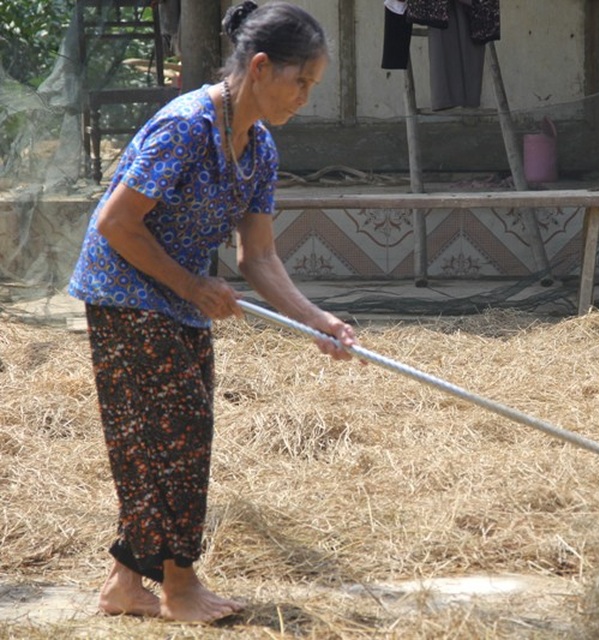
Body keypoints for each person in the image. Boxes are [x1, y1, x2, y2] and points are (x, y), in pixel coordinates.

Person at [68, 1, 355, 624]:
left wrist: (318, 321)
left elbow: (259, 257)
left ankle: (125, 584)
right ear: (259, 67)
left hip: (179, 299)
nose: (305, 97)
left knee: (161, 439)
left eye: (313, 84)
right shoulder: (188, 125)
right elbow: (115, 223)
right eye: (300, 81)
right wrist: (193, 284)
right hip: (126, 293)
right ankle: (178, 584)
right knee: (177, 437)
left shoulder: (259, 149)